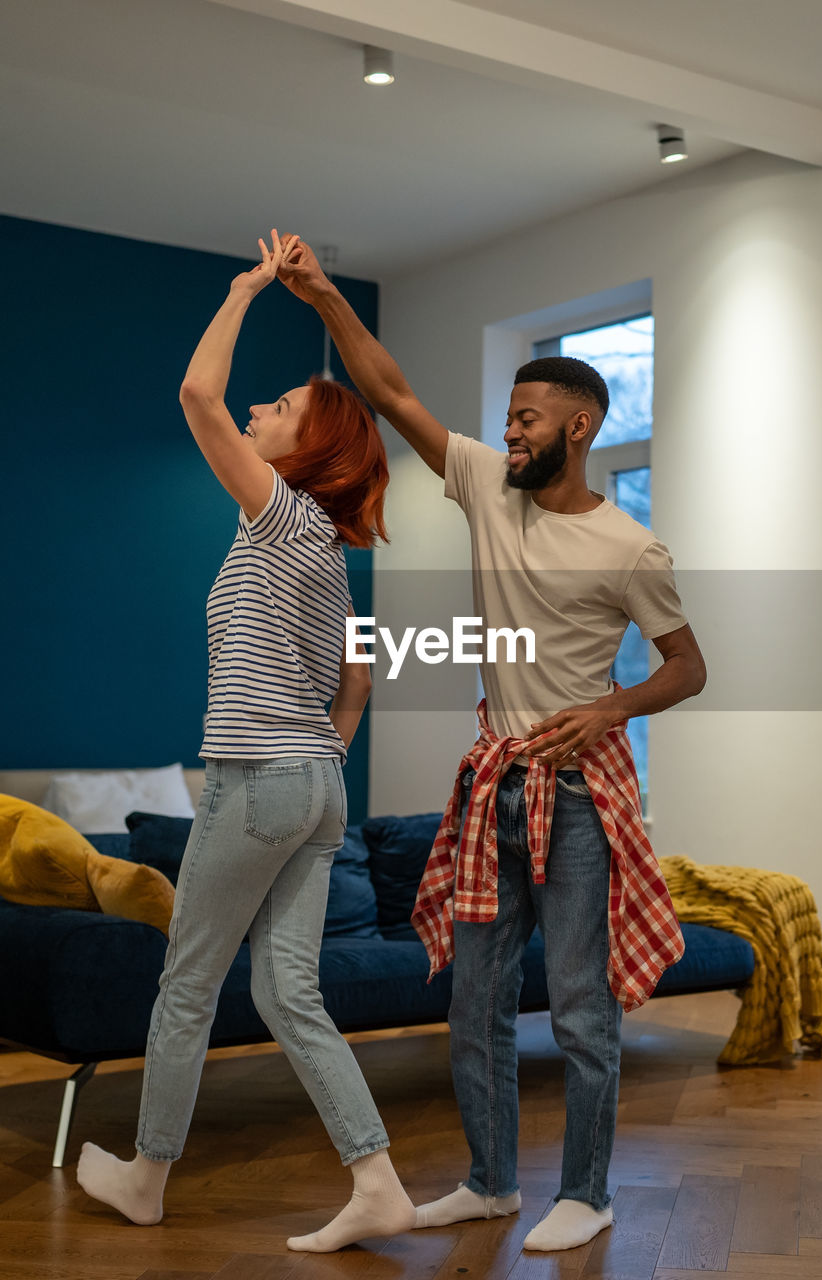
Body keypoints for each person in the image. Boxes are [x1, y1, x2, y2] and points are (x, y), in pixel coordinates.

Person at [275, 233, 707, 1253]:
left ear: (579, 424)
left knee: (580, 1012)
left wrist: (612, 708)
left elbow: (688, 665)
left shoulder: (629, 546)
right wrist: (326, 296)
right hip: (491, 787)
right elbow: (389, 391)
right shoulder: (482, 484)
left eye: (525, 417)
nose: (506, 432)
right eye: (507, 417)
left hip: (578, 797)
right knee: (471, 1002)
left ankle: (590, 1190)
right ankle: (489, 1180)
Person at [76, 231, 416, 1253]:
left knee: (187, 984)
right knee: (285, 987)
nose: (259, 410)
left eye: (281, 408)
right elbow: (358, 677)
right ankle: (376, 1178)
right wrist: (322, 755)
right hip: (314, 785)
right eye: (264, 403)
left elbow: (195, 396)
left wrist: (242, 290)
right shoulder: (327, 546)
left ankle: (146, 1178)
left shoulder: (280, 518)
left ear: (303, 450)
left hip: (259, 782)